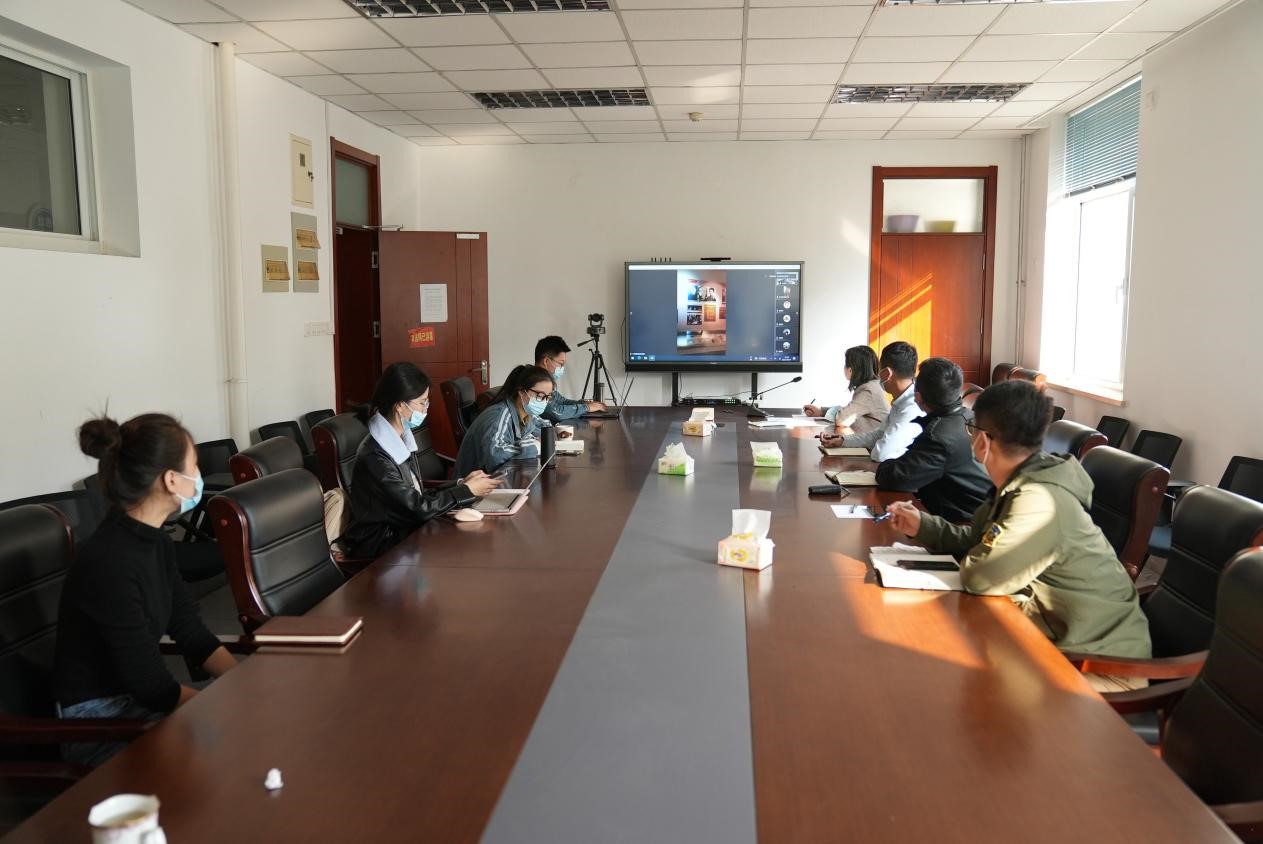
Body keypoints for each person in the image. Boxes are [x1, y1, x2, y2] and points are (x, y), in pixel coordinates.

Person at [886, 380, 1151, 692]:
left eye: (971, 428)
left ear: (983, 440)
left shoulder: (1039, 499)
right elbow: (980, 543)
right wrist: (924, 526)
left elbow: (981, 577)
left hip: (1098, 668)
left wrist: (978, 555)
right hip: (1054, 642)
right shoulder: (1023, 480)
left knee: (952, 681)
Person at [56, 413, 238, 766]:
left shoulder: (155, 541)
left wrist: (242, 684)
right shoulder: (109, 562)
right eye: (194, 465)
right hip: (99, 723)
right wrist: (231, 709)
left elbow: (189, 629)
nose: (198, 474)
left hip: (143, 703)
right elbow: (150, 685)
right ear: (171, 480)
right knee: (232, 749)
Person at [343, 362, 502, 559]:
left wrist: (461, 484)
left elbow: (415, 494)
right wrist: (465, 491)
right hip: (382, 546)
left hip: (403, 530)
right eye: (422, 403)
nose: (426, 409)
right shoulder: (376, 457)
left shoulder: (400, 436)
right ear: (400, 405)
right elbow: (415, 508)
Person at [875, 357, 992, 523]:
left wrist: (884, 466)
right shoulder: (972, 417)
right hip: (982, 512)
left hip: (962, 523)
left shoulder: (938, 436)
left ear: (918, 397)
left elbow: (894, 478)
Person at [821, 340, 921, 461]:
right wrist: (842, 440)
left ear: (887, 373)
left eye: (880, 370)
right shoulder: (901, 401)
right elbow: (878, 435)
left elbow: (881, 453)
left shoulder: (911, 407)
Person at [455, 364, 554, 477]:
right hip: (474, 484)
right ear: (522, 391)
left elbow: (545, 428)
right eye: (540, 396)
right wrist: (535, 445)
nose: (544, 401)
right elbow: (496, 454)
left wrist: (546, 438)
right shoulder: (499, 415)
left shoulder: (525, 412)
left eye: (548, 397)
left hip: (502, 477)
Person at [803, 345, 888, 436]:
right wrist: (821, 411)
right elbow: (850, 411)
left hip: (873, 442)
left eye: (845, 364)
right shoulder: (873, 386)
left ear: (851, 369)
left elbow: (842, 419)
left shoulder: (868, 390)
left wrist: (826, 413)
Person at [535, 335, 605, 421]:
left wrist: (582, 403)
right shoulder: (534, 382)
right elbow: (557, 412)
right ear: (546, 361)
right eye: (561, 364)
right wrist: (586, 407)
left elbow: (562, 401)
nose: (562, 368)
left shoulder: (544, 381)